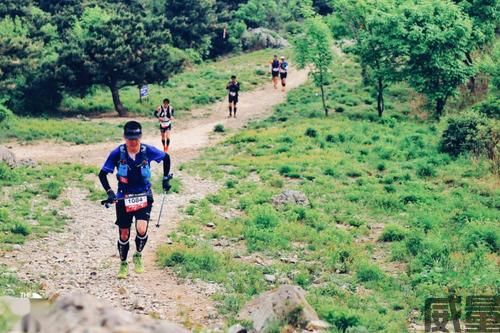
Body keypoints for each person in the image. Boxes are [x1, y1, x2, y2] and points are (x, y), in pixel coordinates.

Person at [99, 121, 172, 279]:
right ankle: (123, 264)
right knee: (124, 234)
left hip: (143, 195)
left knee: (141, 229)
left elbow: (166, 158)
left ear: (140, 137)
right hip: (124, 197)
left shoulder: (147, 151)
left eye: (136, 139)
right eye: (130, 139)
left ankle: (138, 255)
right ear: (125, 138)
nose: (133, 142)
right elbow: (102, 174)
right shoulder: (117, 153)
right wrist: (110, 192)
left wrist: (166, 178)